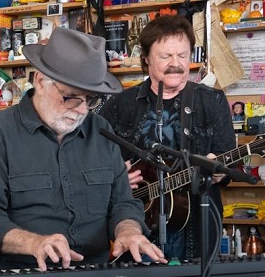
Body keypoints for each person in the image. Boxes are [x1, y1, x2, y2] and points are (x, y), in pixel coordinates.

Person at [0, 27, 163, 271]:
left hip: (93, 276)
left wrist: (129, 231)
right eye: (70, 97)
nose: (82, 110)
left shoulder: (101, 131)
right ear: (40, 82)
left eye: (91, 100)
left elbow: (123, 202)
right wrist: (34, 243)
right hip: (17, 276)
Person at [98, 15, 236, 261]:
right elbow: (91, 162)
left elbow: (230, 165)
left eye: (183, 55)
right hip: (133, 226)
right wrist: (114, 179)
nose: (176, 64)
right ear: (146, 58)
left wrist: (221, 170)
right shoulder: (120, 104)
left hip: (197, 228)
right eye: (166, 56)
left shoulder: (211, 101)